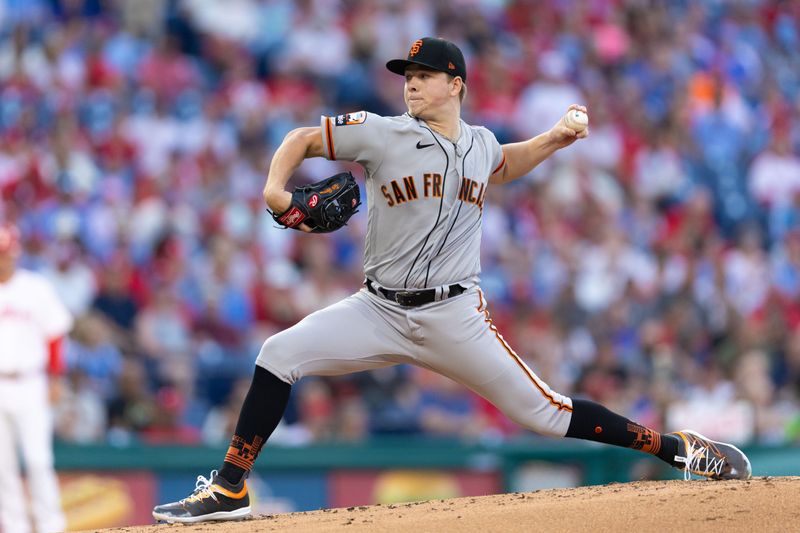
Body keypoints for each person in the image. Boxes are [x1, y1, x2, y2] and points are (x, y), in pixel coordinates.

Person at [153, 37, 751, 524]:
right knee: (277, 352)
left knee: (545, 413)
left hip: (453, 314)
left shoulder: (480, 144)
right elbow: (301, 139)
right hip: (378, 308)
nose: (410, 82)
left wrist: (556, 138)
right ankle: (230, 487)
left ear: (455, 84)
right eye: (406, 73)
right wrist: (275, 191)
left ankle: (680, 450)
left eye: (424, 73)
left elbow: (505, 163)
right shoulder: (383, 132)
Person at [0, 223, 73, 533]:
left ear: (15, 253)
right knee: (2, 466)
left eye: (5, 253)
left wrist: (56, 379)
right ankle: (14, 527)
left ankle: (50, 525)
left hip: (31, 382)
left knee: (38, 459)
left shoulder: (35, 287)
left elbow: (55, 335)